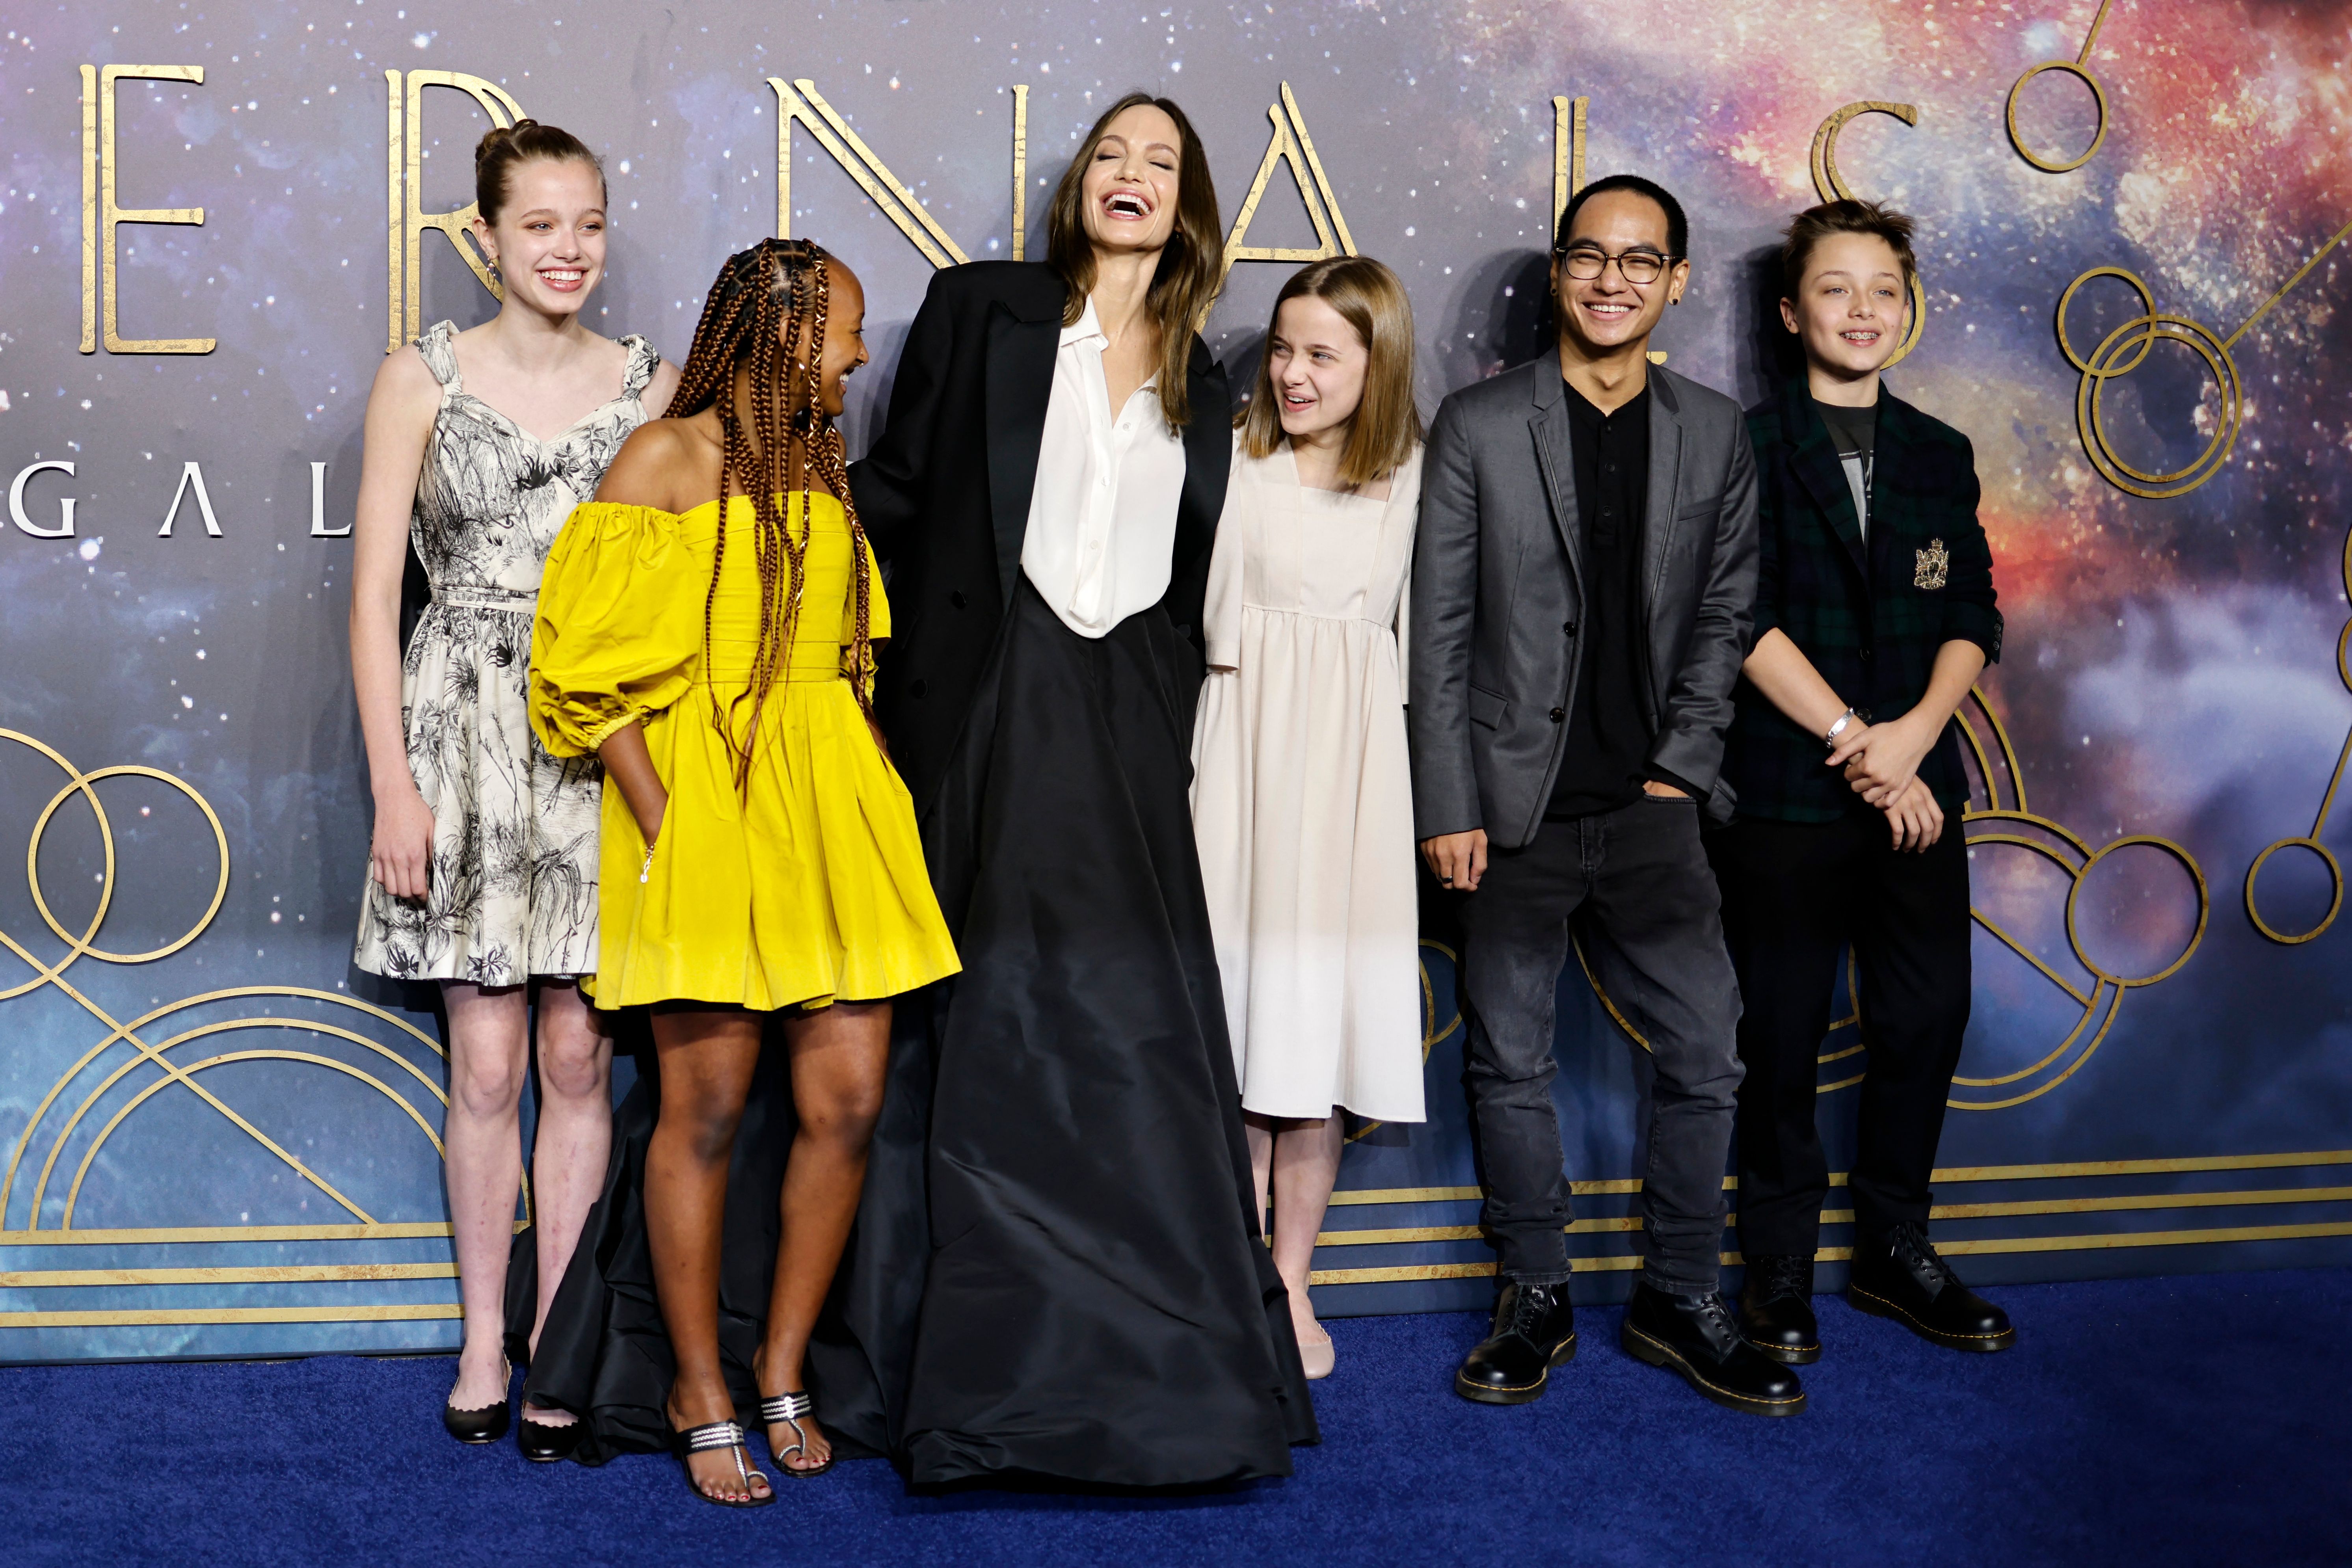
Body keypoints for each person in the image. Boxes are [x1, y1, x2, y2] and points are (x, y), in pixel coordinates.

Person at [836, 91, 1317, 1486]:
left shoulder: (1214, 374)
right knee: (973, 1025)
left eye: (1162, 163)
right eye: (1112, 154)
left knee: (1126, 1033)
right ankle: (954, 1371)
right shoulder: (984, 308)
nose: (1131, 176)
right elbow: (903, 493)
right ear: (1077, 185)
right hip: (988, 704)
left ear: (1191, 206)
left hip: (1128, 722)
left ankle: (1151, 1364)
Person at [524, 240, 960, 1506]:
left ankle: (779, 1369)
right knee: (701, 1111)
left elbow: (848, 663)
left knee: (848, 1102)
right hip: (704, 803)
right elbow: (583, 670)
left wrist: (876, 803)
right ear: (782, 334)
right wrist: (666, 820)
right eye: (846, 329)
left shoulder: (822, 468)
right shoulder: (661, 460)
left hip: (833, 807)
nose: (860, 353)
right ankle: (697, 1386)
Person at [1410, 173, 1803, 1416]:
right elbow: (1440, 629)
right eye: (1590, 255)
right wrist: (1448, 800)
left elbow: (1729, 607)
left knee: (1707, 1054)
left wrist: (1683, 765)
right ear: (1561, 272)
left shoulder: (1712, 427)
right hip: (1509, 810)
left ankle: (1683, 1294)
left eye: (1643, 260)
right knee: (1510, 1065)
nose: (1613, 278)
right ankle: (1532, 1295)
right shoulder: (1477, 426)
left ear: (1677, 280)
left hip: (1652, 811)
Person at [347, 119, 676, 1458]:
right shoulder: (420, 376)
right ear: (484, 237)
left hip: (601, 741)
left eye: (588, 224)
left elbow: (668, 602)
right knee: (483, 1060)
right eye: (540, 226)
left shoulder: (651, 387)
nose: (569, 251)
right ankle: (484, 1339)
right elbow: (375, 599)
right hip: (459, 731)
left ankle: (562, 1343)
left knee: (576, 1054)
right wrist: (394, 786)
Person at [1712, 199, 2013, 1365]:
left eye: (1884, 290)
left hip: (1920, 787)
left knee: (1927, 1017)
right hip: (1789, 789)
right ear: (1792, 312)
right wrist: (1860, 740)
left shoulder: (1940, 453)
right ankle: (1776, 1264)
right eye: (1836, 289)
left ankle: (1896, 1243)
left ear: (1909, 307)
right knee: (1779, 1035)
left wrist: (1917, 735)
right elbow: (1739, 615)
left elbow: (1971, 609)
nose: (1862, 311)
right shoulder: (1741, 446)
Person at [1189, 256, 1426, 1383]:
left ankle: (1291, 1278)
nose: (1290, 372)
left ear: (1375, 363)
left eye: (1321, 353)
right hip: (1239, 757)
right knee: (1238, 1032)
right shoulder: (1232, 459)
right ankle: (1225, 1269)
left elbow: (1435, 642)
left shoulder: (1419, 476)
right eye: (1282, 348)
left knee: (1313, 1040)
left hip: (1353, 777)